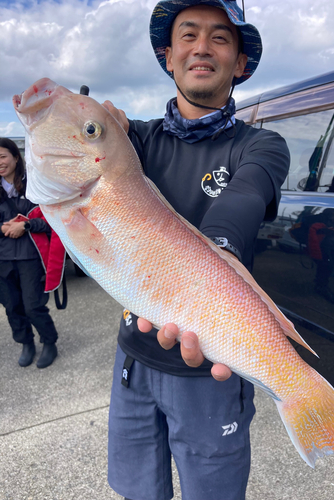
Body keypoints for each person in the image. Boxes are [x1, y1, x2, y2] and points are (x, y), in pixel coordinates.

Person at [103, 1, 290, 499]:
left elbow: (243, 200)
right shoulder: (133, 142)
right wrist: (96, 130)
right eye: (188, 35)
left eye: (220, 38)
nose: (202, 47)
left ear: (241, 63)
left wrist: (216, 250)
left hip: (212, 364)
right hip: (134, 356)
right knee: (137, 492)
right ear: (168, 56)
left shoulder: (261, 145)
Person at [0, 137, 59, 368]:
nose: (0, 162)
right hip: (3, 259)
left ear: (16, 157)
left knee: (33, 305)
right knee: (12, 306)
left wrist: (25, 226)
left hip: (30, 257)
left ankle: (49, 342)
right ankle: (26, 343)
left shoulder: (35, 185)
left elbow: (52, 221)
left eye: (3, 156)